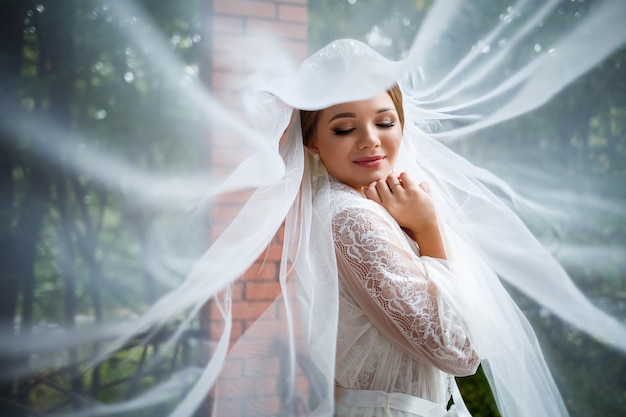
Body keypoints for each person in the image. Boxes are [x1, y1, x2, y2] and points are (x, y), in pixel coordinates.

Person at [300, 86, 480, 416]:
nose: (370, 140)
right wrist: (428, 228)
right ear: (312, 141)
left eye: (384, 122)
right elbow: (459, 353)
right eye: (344, 128)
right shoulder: (353, 218)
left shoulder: (356, 207)